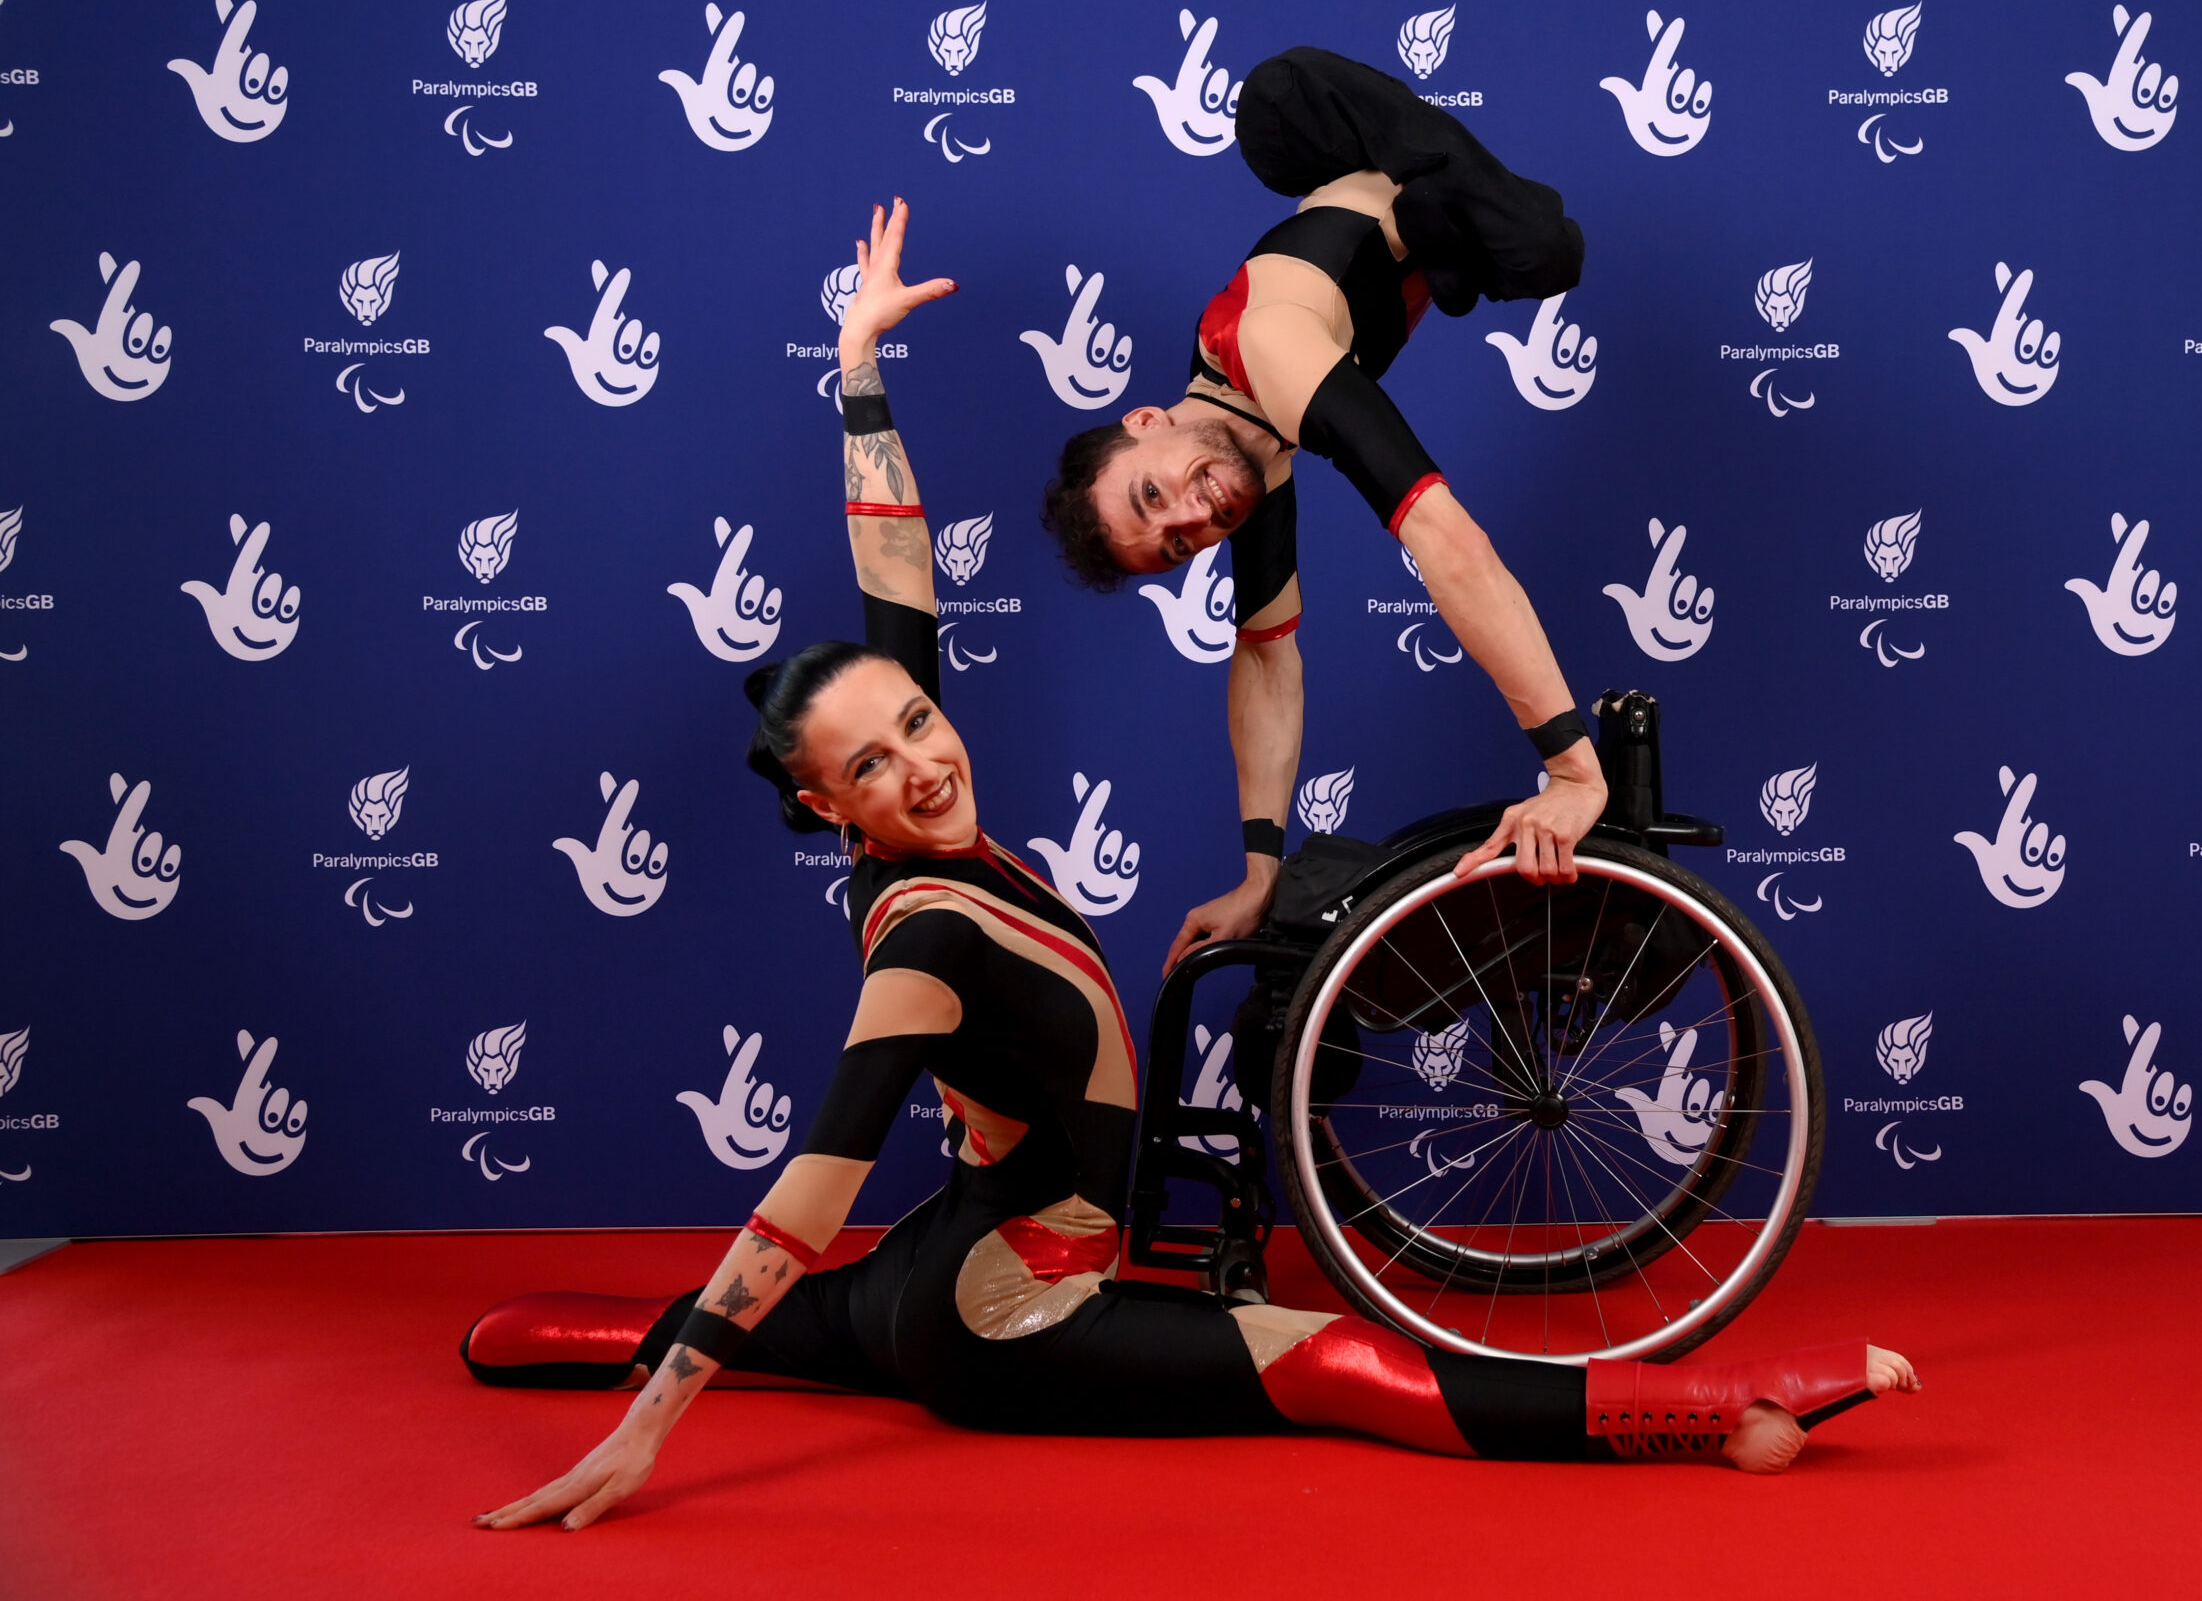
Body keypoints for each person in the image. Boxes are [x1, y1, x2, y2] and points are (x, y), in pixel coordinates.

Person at [467, 203, 1918, 1532]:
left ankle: (521, 1333)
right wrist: (657, 1430)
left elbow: (892, 571)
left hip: (928, 1270)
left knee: (584, 1327)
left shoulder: (928, 806)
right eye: (874, 766)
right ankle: (1715, 1412)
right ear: (834, 807)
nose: (921, 756)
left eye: (917, 717)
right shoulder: (918, 939)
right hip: (1005, 1313)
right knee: (1351, 1362)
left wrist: (856, 363)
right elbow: (810, 1186)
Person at [1035, 48, 1610, 976]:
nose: (1196, 513)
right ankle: (1440, 247)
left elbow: (1447, 539)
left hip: (1382, 158)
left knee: (1548, 250)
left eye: (1157, 490)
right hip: (1379, 251)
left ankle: (1438, 214)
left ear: (1145, 419)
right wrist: (1259, 869)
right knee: (1266, 619)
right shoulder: (1246, 463)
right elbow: (1264, 660)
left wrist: (1573, 765)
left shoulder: (1266, 351)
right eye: (1179, 545)